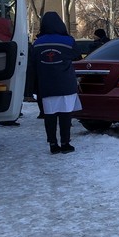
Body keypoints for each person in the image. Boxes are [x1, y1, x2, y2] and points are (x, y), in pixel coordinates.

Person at [32, 11, 82, 154]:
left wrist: (31, 88)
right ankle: (65, 143)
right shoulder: (68, 41)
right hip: (66, 84)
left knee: (50, 116)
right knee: (66, 115)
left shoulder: (37, 43)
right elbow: (77, 56)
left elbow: (32, 64)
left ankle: (53, 144)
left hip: (46, 85)